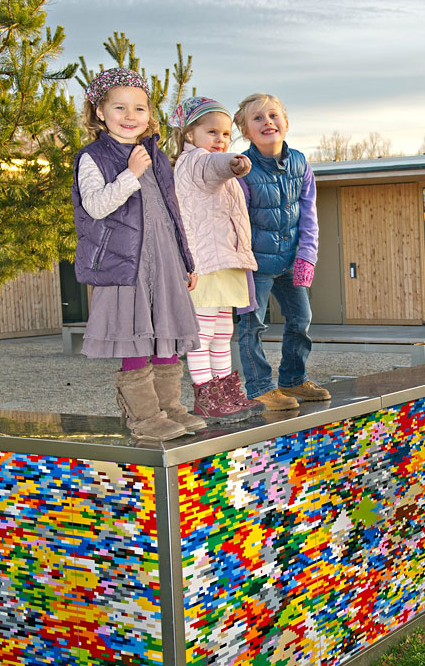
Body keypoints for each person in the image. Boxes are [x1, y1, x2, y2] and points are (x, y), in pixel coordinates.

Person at [71, 68, 205, 442]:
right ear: (99, 111)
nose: (131, 117)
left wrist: (185, 259)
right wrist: (129, 175)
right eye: (120, 108)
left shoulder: (157, 157)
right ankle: (145, 418)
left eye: (140, 109)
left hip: (163, 261)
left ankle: (170, 408)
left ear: (149, 114)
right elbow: (95, 206)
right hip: (124, 264)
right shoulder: (92, 157)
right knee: (135, 337)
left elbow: (172, 212)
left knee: (166, 332)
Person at [232, 92, 331, 411]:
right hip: (255, 263)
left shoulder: (300, 163)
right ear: (246, 131)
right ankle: (259, 386)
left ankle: (293, 378)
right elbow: (237, 220)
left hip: (290, 261)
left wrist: (306, 256)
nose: (267, 122)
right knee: (252, 324)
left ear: (286, 123)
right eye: (257, 118)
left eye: (273, 115)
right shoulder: (242, 169)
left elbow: (309, 213)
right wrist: (241, 262)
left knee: (301, 318)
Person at [169, 96, 260, 419]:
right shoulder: (195, 161)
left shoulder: (209, 159)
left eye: (225, 134)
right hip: (205, 262)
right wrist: (233, 163)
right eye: (212, 132)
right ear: (190, 135)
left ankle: (224, 389)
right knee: (203, 332)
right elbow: (214, 166)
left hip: (225, 260)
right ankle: (205, 393)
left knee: (223, 333)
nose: (220, 140)